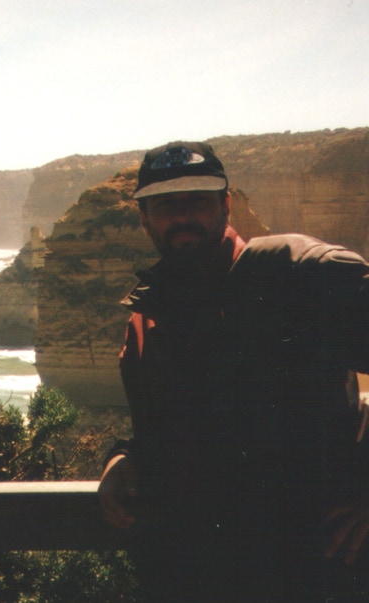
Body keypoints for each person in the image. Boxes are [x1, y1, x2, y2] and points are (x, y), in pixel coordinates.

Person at [97, 142, 369, 602]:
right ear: (144, 219)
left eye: (198, 200)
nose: (183, 216)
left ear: (226, 206)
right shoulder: (147, 318)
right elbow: (171, 433)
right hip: (200, 577)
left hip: (313, 573)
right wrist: (122, 456)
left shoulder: (297, 273)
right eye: (166, 205)